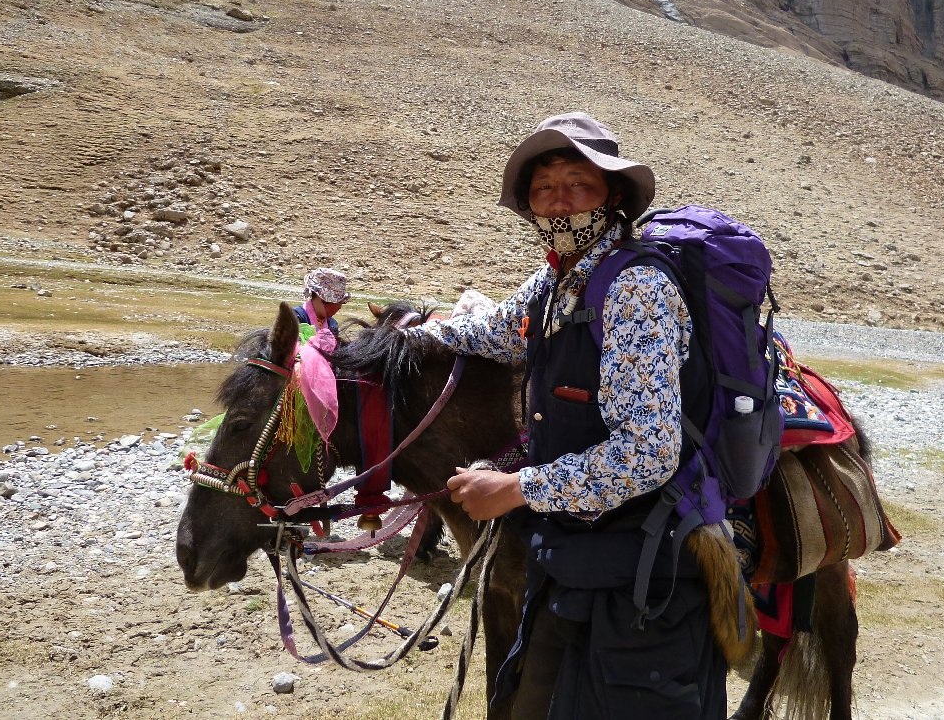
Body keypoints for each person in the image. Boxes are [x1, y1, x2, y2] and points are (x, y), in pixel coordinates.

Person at [411, 112, 726, 719]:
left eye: (577, 184)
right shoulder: (557, 280)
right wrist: (416, 340)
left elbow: (647, 451)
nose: (559, 203)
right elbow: (503, 331)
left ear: (612, 195)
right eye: (543, 189)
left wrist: (516, 488)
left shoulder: (635, 287)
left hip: (640, 569)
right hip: (574, 554)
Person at [294, 267, 350, 337]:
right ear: (322, 299)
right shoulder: (295, 318)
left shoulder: (332, 325)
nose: (339, 307)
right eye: (338, 302)